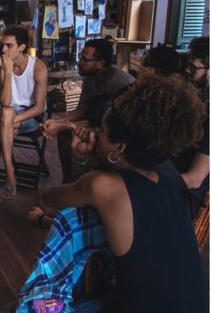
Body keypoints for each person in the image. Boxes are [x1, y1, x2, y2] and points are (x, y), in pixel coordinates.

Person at [38, 76, 206, 312]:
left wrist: (80, 157)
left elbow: (48, 200)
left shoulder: (104, 186)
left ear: (119, 148)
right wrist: (98, 157)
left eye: (102, 131)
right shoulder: (169, 172)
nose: (95, 132)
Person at [0, 26, 48, 202]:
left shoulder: (38, 67)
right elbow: (5, 102)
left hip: (32, 116)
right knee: (4, 113)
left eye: (9, 46)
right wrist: (7, 73)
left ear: (21, 47)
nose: (3, 50)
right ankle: (8, 173)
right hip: (9, 113)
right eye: (2, 46)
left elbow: (40, 107)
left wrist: (8, 121)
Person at [41, 39, 135, 183]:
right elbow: (82, 110)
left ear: (100, 63)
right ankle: (68, 182)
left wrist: (60, 125)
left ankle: (82, 184)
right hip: (98, 124)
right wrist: (56, 122)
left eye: (85, 60)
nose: (80, 62)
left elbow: (99, 121)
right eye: (80, 57)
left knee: (69, 133)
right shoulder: (90, 78)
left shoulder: (117, 84)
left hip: (116, 133)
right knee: (64, 134)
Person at [172, 36, 209, 207]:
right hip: (170, 176)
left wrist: (148, 186)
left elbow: (194, 179)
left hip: (186, 195)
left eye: (193, 68)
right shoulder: (197, 100)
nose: (187, 71)